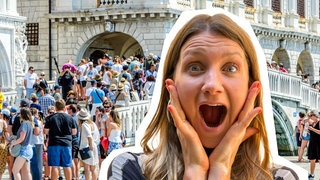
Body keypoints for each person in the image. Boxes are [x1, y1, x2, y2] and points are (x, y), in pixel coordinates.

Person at [105, 8, 301, 179]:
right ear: (171, 85)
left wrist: (221, 170)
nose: (212, 85)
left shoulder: (281, 178)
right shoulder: (130, 170)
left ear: (251, 87)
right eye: (195, 67)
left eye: (230, 68)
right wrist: (195, 171)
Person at [44, 99, 77, 180]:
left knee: (55, 166)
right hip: (66, 143)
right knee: (67, 165)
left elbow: (46, 131)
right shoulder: (70, 118)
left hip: (54, 142)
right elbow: (74, 132)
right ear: (64, 107)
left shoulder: (50, 118)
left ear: (55, 107)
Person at [10, 108, 34, 180]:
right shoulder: (30, 123)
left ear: (22, 114)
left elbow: (21, 138)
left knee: (15, 171)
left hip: (24, 149)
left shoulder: (24, 123)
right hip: (28, 148)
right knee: (26, 172)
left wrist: (12, 144)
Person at [78, 109, 99, 180]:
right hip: (94, 146)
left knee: (86, 169)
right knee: (93, 168)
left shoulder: (84, 125)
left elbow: (89, 136)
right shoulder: (93, 123)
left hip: (87, 148)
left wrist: (90, 146)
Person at [307, 111, 320, 179]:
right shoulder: (312, 123)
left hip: (318, 143)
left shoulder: (319, 122)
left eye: (310, 116)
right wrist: (309, 131)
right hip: (312, 143)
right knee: (312, 159)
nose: (309, 118)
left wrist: (312, 129)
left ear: (314, 116)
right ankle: (312, 174)